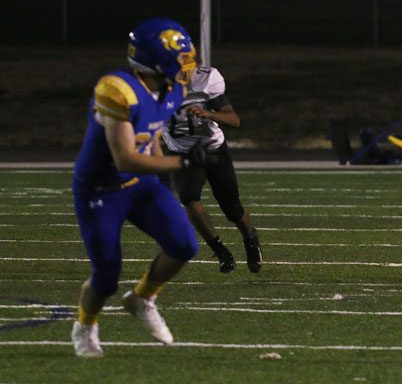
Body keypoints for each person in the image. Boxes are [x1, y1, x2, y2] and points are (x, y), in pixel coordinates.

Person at [70, 18, 213, 358]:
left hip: (142, 184)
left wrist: (165, 170)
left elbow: (153, 135)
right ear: (153, 60)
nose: (186, 67)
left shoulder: (171, 88)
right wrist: (183, 163)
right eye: (180, 60)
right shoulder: (116, 90)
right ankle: (85, 325)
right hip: (101, 190)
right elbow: (126, 158)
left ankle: (142, 298)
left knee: (183, 245)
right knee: (106, 274)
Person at [162, 65, 262, 274]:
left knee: (232, 208)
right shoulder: (150, 87)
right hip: (182, 151)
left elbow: (234, 119)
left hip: (212, 148)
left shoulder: (205, 80)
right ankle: (220, 250)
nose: (185, 75)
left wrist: (209, 113)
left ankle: (250, 237)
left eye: (187, 70)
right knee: (189, 198)